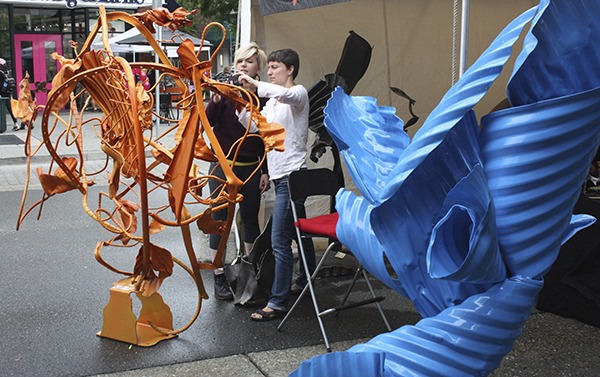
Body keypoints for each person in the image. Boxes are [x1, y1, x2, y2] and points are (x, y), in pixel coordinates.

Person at [237, 48, 316, 321]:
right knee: (299, 234)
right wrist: (240, 100)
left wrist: (258, 85)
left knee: (279, 240)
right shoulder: (271, 103)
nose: (269, 72)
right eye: (268, 67)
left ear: (290, 69)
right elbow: (255, 126)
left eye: (274, 67)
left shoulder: (299, 94)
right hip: (282, 176)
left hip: (293, 177)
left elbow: (289, 94)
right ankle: (306, 279)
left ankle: (278, 301)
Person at [204, 42, 270, 300]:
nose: (243, 65)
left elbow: (267, 136)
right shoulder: (224, 92)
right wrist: (216, 100)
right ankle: (219, 274)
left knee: (250, 219)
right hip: (222, 166)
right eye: (240, 61)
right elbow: (207, 122)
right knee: (219, 220)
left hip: (252, 168)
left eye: (249, 61)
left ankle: (248, 271)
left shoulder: (263, 96)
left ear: (258, 68)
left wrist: (265, 169)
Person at [0, 58, 20, 130]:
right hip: (7, 93)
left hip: (1, 93)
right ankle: (16, 123)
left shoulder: (0, 73)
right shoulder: (7, 72)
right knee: (10, 108)